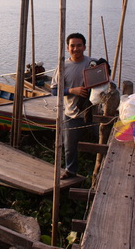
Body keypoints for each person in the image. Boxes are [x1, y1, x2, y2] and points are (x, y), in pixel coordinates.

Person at [50, 33, 97, 179]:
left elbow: (107, 85)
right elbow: (54, 90)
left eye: (79, 45)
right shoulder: (62, 67)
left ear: (84, 47)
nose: (76, 49)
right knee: (69, 146)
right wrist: (72, 90)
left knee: (103, 140)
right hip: (72, 113)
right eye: (72, 46)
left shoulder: (93, 64)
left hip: (94, 112)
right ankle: (71, 170)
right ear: (67, 48)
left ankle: (100, 168)